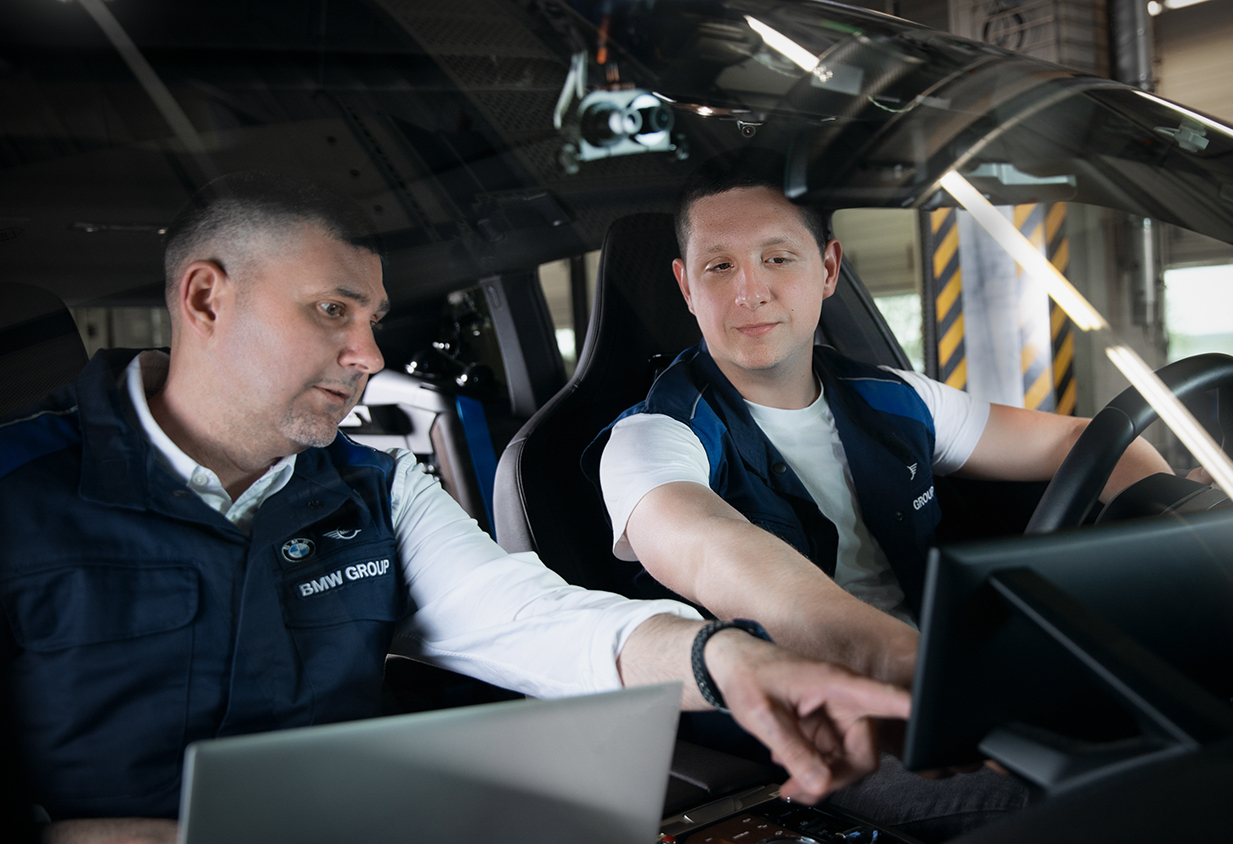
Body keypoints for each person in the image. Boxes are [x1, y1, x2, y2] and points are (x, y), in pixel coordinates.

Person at [0, 172, 908, 844]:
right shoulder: (19, 496)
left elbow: (533, 619)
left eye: (372, 318)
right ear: (206, 296)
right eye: (331, 310)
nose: (367, 352)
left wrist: (729, 663)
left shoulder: (376, 489)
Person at [589, 153, 1233, 834]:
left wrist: (1172, 500)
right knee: (1106, 803)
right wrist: (914, 669)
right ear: (686, 285)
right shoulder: (652, 437)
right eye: (719, 267)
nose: (750, 291)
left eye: (777, 258)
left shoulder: (894, 399)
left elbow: (1082, 443)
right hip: (813, 728)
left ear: (827, 269)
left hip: (947, 676)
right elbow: (707, 548)